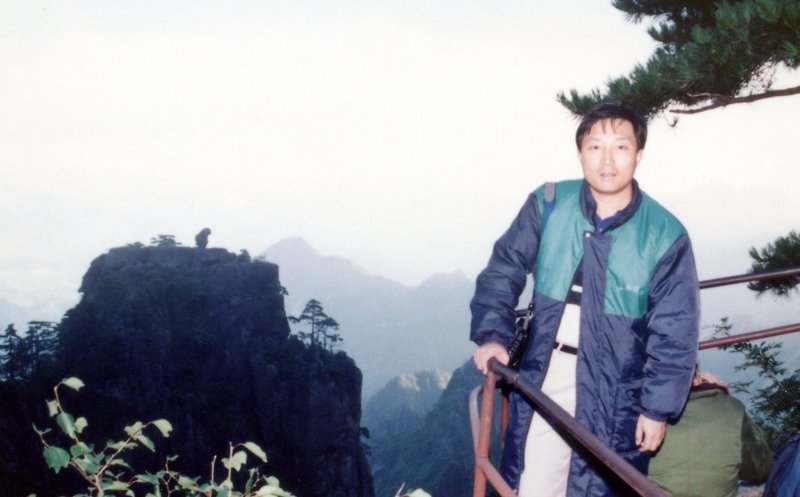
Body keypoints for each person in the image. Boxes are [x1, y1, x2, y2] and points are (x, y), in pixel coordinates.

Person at [470, 102, 700, 497]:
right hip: (547, 372)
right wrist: (493, 336)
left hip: (619, 388)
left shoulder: (664, 234)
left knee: (602, 487)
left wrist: (656, 409)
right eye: (595, 147)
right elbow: (503, 270)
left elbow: (675, 329)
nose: (607, 160)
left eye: (621, 147)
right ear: (580, 153)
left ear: (639, 155)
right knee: (533, 483)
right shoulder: (548, 204)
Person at [648, 369, 773, 497]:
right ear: (697, 378)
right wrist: (727, 400)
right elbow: (760, 468)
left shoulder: (641, 418)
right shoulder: (729, 408)